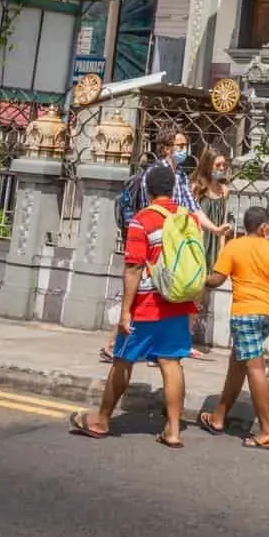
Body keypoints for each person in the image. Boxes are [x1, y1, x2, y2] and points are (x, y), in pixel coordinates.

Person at [71, 163, 195, 448]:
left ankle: (102, 420)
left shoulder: (142, 220)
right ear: (172, 189)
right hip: (178, 300)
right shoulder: (189, 219)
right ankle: (173, 430)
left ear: (148, 189)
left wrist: (126, 310)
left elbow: (133, 268)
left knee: (123, 360)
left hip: (148, 303)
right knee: (171, 362)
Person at [100, 120, 211, 363]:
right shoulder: (156, 174)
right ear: (166, 147)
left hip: (171, 242)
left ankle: (152, 349)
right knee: (141, 296)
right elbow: (148, 208)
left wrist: (214, 228)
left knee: (160, 296)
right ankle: (117, 345)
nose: (184, 150)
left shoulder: (179, 175)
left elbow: (191, 209)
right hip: (152, 240)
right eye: (179, 145)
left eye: (185, 145)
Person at [198, 207, 269, 449]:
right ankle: (218, 417)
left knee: (255, 368)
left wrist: (196, 279)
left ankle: (267, 429)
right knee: (237, 365)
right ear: (264, 227)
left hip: (245, 315)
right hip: (268, 315)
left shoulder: (233, 246)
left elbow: (216, 280)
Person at [188, 145, 234, 358]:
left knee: (200, 295)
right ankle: (179, 338)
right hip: (198, 243)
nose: (222, 169)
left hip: (213, 244)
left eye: (224, 165)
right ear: (208, 165)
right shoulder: (198, 188)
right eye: (218, 165)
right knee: (190, 293)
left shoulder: (224, 191)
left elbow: (223, 223)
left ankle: (186, 337)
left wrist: (222, 252)